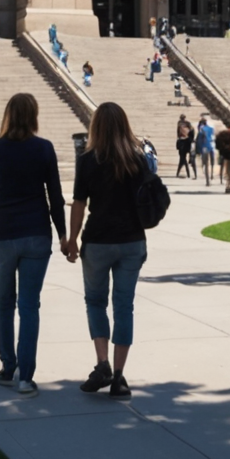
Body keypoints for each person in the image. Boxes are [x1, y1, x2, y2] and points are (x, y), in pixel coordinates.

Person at [0, 93, 68, 395]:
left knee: (5, 301)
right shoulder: (43, 149)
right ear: (34, 116)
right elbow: (55, 197)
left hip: (2, 232)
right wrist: (65, 235)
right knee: (30, 306)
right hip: (36, 233)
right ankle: (26, 377)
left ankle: (8, 366)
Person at [67, 101, 151, 400]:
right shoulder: (138, 159)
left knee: (95, 302)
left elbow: (79, 202)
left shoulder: (89, 159)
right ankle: (118, 375)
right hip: (131, 240)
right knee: (124, 306)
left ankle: (101, 363)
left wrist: (72, 238)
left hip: (98, 240)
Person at [215, 119, 230, 194]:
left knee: (226, 170)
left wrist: (222, 150)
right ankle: (228, 185)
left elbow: (217, 145)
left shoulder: (221, 134)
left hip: (224, 154)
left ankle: (226, 183)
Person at [195, 115, 216, 187]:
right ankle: (212, 174)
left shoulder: (202, 129)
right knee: (212, 162)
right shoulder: (211, 128)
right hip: (212, 146)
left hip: (204, 147)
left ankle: (208, 180)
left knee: (206, 164)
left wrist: (198, 150)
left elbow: (200, 140)